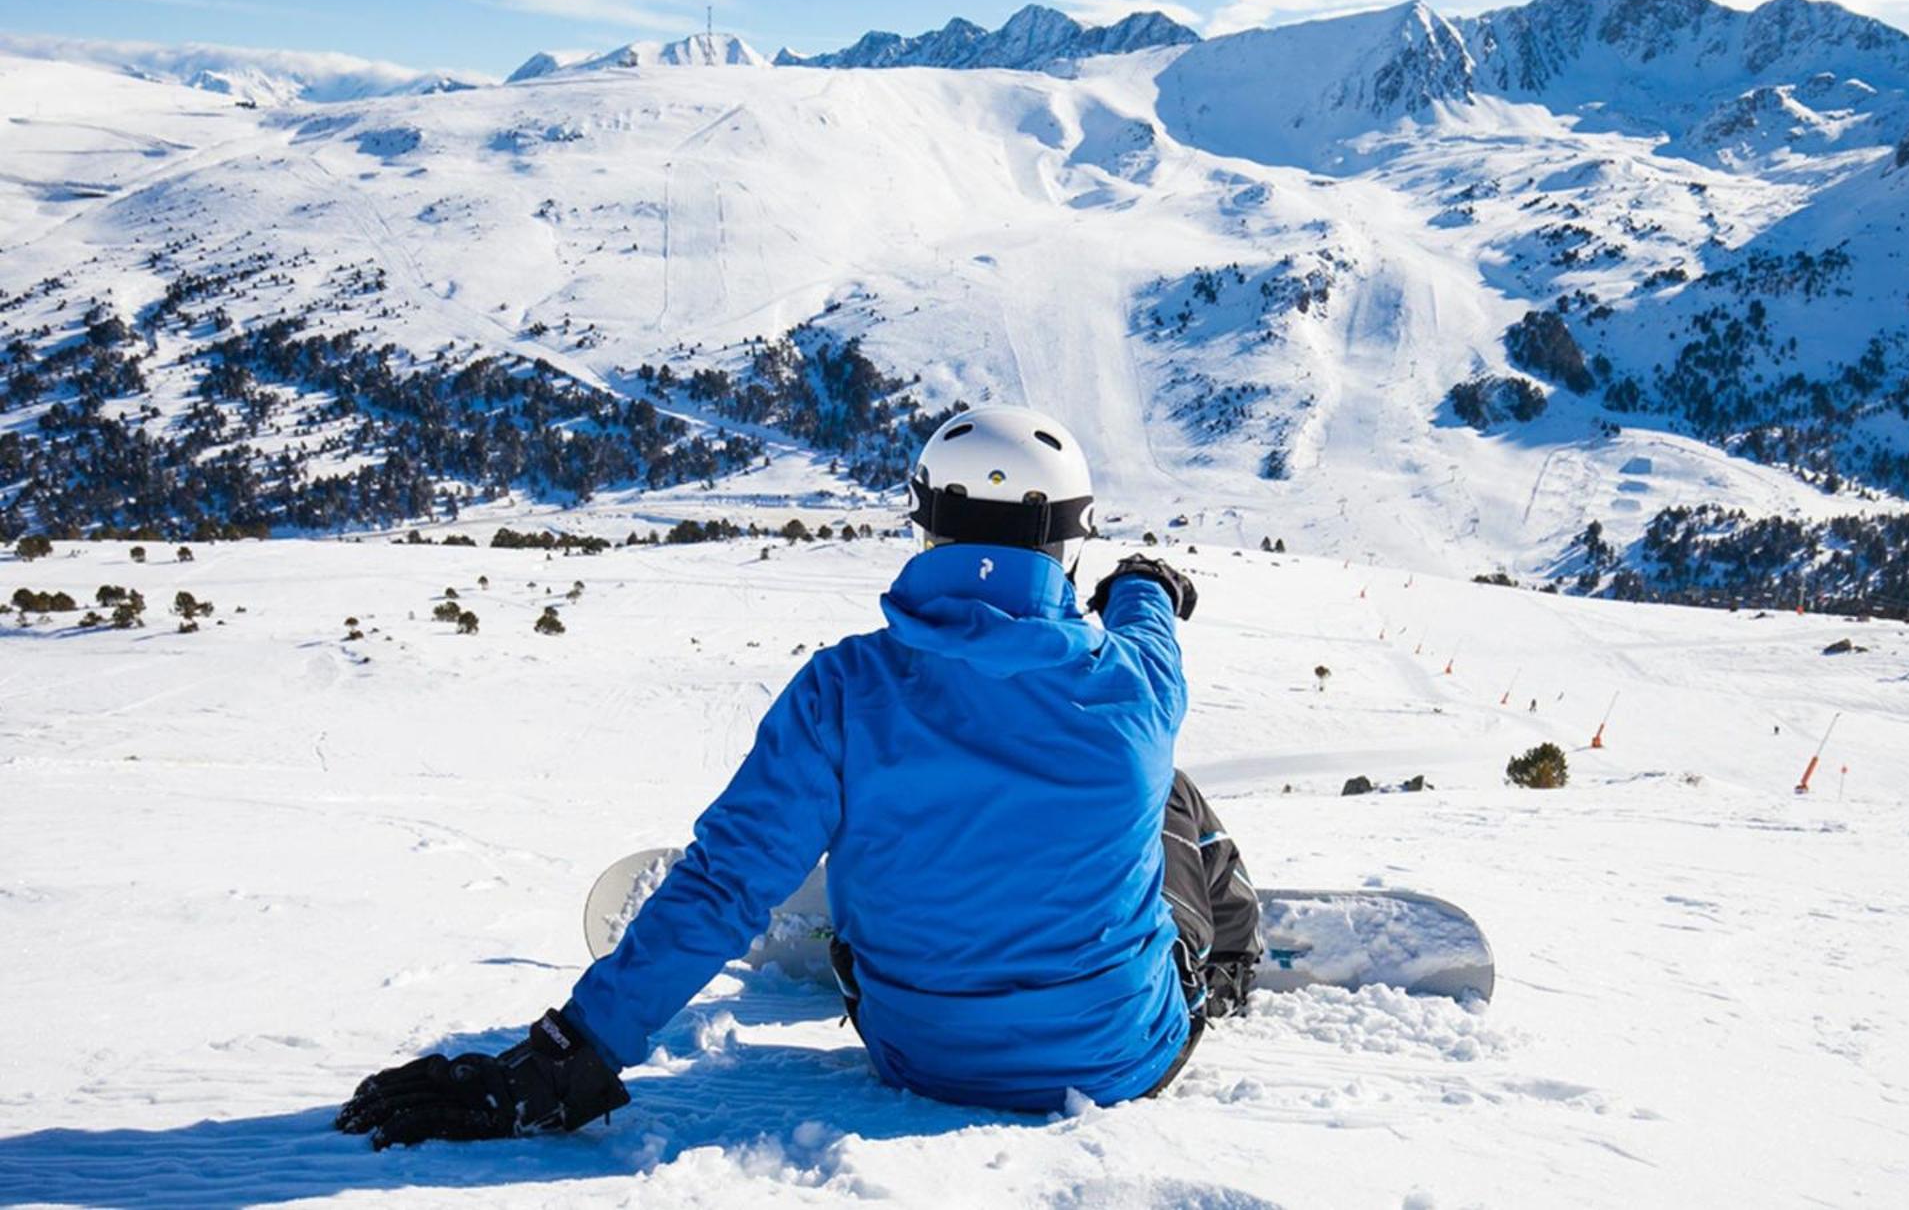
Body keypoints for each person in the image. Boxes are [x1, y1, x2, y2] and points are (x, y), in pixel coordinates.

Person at [336, 404, 1262, 1148]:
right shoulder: (1137, 682)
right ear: (1067, 537)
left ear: (927, 521)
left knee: (832, 813)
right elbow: (1149, 619)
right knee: (1169, 792)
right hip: (1115, 1058)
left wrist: (567, 1056)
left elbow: (725, 881)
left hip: (916, 1052)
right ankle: (1227, 959)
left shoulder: (845, 687)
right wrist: (1144, 580)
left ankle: (907, 894)